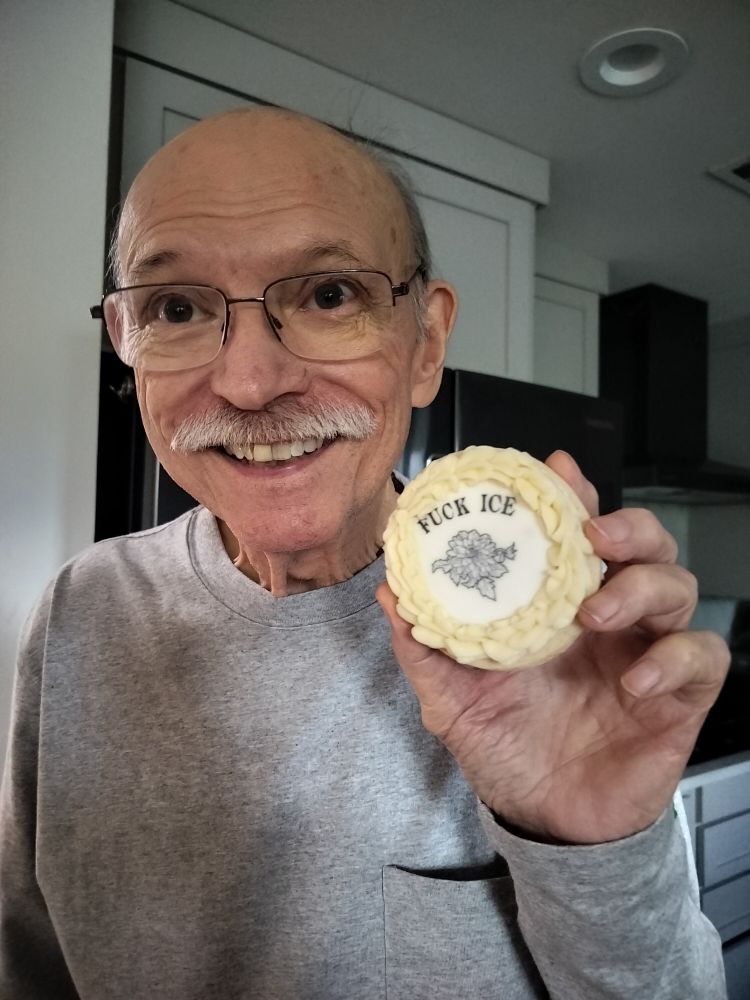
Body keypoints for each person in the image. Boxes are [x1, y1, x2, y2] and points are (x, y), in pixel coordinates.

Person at [0, 107, 730, 999]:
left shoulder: (557, 647)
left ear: (424, 344)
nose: (248, 381)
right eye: (177, 307)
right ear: (127, 343)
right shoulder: (79, 610)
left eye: (329, 294)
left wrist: (595, 852)